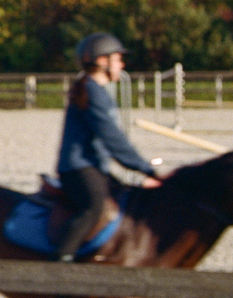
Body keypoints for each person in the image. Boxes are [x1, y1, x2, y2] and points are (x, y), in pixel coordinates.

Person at [54, 32, 162, 261]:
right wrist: (144, 168)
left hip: (95, 166)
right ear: (102, 61)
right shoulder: (92, 92)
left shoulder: (97, 90)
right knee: (94, 207)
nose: (122, 65)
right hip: (78, 168)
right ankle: (61, 260)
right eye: (118, 59)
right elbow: (112, 138)